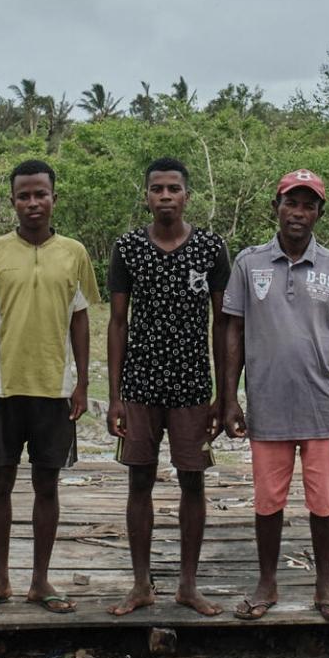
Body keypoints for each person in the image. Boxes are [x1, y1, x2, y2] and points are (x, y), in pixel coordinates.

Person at [220, 168, 329, 621]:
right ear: (275, 207)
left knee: (323, 499)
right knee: (268, 499)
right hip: (267, 402)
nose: (297, 213)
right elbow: (233, 331)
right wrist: (229, 398)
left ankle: (325, 585)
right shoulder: (249, 263)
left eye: (308, 205)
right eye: (290, 202)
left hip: (322, 403)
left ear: (320, 212)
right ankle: (266, 583)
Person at [0, 158, 101, 616]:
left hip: (55, 388)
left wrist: (81, 382)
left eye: (41, 194)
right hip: (4, 389)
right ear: (13, 201)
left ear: (54, 198)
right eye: (24, 195)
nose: (33, 203)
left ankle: (41, 581)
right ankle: (0, 579)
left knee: (47, 485)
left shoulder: (74, 253)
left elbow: (80, 319)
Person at [105, 156, 231, 616]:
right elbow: (117, 322)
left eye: (173, 189)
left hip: (193, 386)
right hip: (140, 383)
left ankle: (188, 585)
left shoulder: (211, 248)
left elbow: (224, 325)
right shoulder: (129, 248)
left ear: (186, 196)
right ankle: (141, 584)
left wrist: (225, 394)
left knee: (192, 481)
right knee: (139, 480)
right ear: (146, 196)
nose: (164, 196)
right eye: (156, 189)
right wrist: (115, 395)